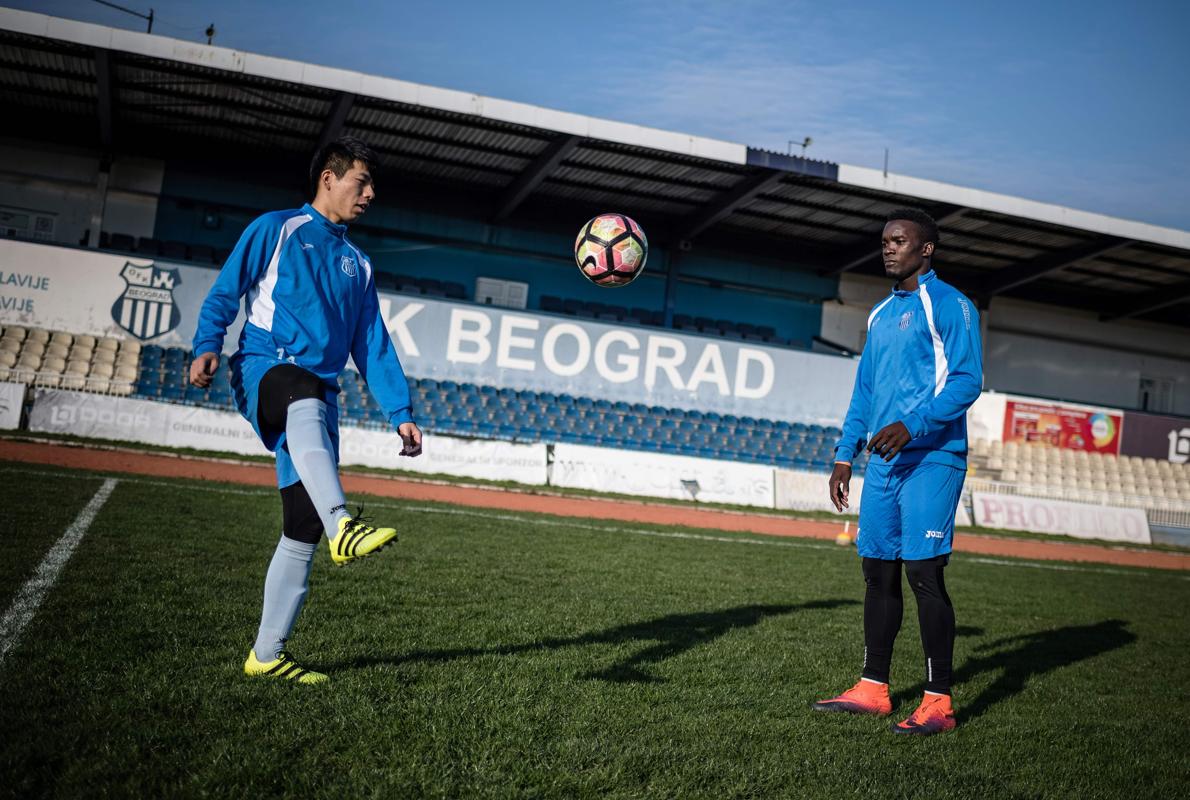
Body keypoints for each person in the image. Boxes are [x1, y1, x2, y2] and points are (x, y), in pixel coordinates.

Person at [189, 136, 422, 684]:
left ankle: (266, 656)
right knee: (302, 389)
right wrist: (207, 345)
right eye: (361, 182)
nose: (370, 194)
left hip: (318, 400)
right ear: (328, 179)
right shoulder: (277, 228)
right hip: (265, 368)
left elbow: (373, 343)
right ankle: (345, 523)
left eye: (372, 186)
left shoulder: (359, 264)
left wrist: (400, 410)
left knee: (300, 527)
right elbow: (227, 292)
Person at [814, 208, 982, 735]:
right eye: (884, 240)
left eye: (899, 241)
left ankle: (938, 703)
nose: (888, 248)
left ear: (925, 249)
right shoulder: (880, 314)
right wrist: (845, 454)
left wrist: (913, 424)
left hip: (933, 457)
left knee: (923, 574)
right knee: (877, 573)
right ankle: (873, 687)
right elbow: (864, 391)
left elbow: (967, 380)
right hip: (883, 463)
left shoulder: (951, 305)